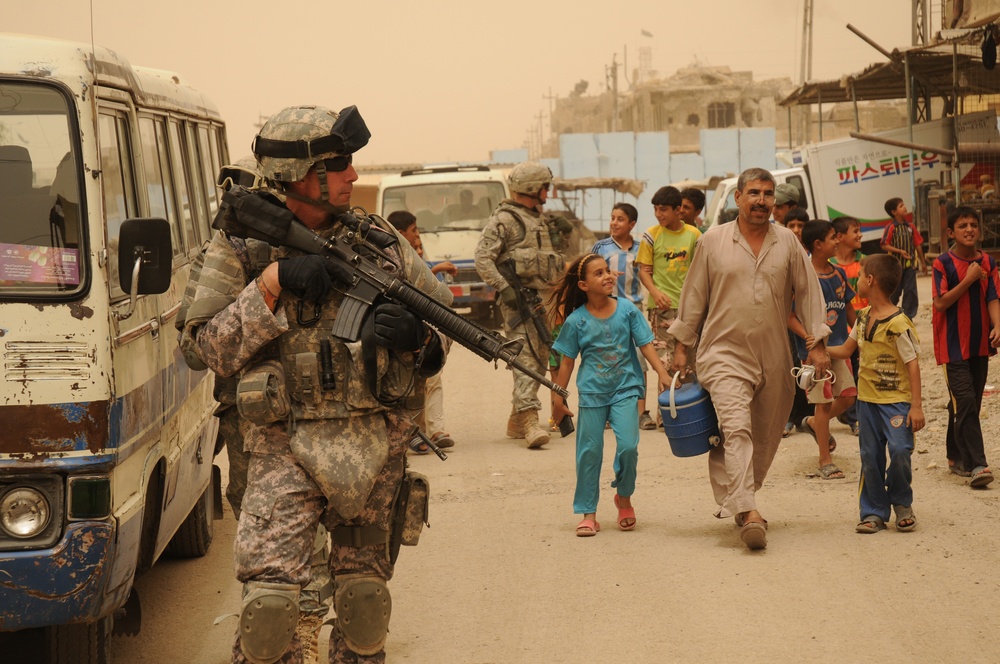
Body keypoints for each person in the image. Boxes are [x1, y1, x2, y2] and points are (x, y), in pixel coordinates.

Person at [183, 105, 453, 663]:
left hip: (372, 441)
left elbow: (444, 323)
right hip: (282, 443)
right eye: (342, 164)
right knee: (271, 614)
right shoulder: (242, 245)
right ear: (302, 175)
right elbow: (203, 348)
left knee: (364, 604)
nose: (354, 176)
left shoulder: (378, 241)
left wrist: (419, 340)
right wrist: (272, 284)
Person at [669, 167, 831, 551]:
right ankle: (748, 509)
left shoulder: (789, 243)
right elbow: (694, 297)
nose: (761, 200)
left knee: (766, 431)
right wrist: (681, 346)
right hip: (723, 352)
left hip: (774, 355)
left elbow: (808, 293)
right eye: (754, 193)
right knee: (736, 427)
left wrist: (817, 342)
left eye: (768, 194)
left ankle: (740, 498)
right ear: (738, 198)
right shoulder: (712, 241)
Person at [549, 254, 672, 537]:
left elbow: (645, 344)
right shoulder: (576, 321)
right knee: (589, 454)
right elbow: (566, 361)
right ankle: (588, 513)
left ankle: (624, 498)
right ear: (582, 284)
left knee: (628, 447)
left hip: (625, 389)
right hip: (592, 393)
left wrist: (661, 374)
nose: (607, 276)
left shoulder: (627, 310)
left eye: (608, 271)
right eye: (599, 273)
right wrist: (559, 400)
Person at [827, 255, 924, 533]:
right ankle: (873, 511)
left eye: (860, 275)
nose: (857, 280)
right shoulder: (863, 316)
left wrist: (915, 407)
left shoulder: (899, 323)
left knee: (899, 450)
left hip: (896, 403)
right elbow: (846, 350)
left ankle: (902, 502)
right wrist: (820, 350)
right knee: (870, 456)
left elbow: (913, 365)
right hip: (867, 403)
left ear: (870, 280)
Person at [475, 161, 566, 449]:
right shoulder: (505, 220)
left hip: (542, 300)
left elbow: (550, 257)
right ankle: (529, 420)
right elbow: (482, 258)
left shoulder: (537, 218)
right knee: (525, 359)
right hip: (519, 302)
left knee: (539, 358)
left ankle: (517, 419)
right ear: (531, 188)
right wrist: (503, 288)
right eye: (544, 188)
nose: (547, 194)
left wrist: (559, 234)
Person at [931, 206, 999, 488]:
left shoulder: (988, 262)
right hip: (952, 346)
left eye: (973, 224)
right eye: (962, 226)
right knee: (966, 401)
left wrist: (997, 325)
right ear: (951, 233)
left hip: (979, 344)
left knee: (965, 402)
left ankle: (953, 454)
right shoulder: (942, 263)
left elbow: (993, 296)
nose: (969, 229)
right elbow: (940, 303)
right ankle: (977, 465)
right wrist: (969, 279)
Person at [388, 212, 458, 453]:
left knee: (432, 379)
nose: (418, 237)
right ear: (400, 232)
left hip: (422, 329)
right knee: (408, 384)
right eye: (414, 230)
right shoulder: (390, 257)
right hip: (400, 330)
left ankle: (435, 430)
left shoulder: (411, 257)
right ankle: (413, 432)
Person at [794, 220, 857, 480]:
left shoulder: (838, 274)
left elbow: (849, 308)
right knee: (822, 403)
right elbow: (788, 315)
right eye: (833, 237)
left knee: (849, 396)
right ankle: (825, 460)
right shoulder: (803, 277)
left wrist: (862, 333)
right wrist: (810, 340)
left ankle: (812, 425)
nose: (837, 241)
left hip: (839, 349)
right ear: (818, 244)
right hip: (814, 354)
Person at [636, 186, 700, 425]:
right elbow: (644, 270)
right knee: (664, 360)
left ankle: (687, 411)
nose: (658, 214)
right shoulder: (651, 236)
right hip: (660, 307)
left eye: (663, 209)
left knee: (689, 361)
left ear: (678, 210)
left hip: (689, 308)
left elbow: (701, 271)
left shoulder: (694, 235)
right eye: (655, 209)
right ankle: (665, 413)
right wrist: (655, 291)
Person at [592, 203, 656, 430]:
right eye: (612, 218)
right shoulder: (601, 247)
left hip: (635, 310)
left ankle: (641, 413)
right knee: (608, 359)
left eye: (620, 219)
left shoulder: (641, 249)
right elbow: (588, 273)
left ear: (632, 224)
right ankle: (608, 412)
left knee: (639, 358)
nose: (614, 223)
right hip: (608, 310)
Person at [830, 216, 867, 436]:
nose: (860, 235)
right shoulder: (830, 266)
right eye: (855, 231)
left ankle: (855, 418)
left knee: (859, 374)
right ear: (840, 237)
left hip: (861, 327)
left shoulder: (865, 262)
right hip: (839, 333)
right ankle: (843, 412)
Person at [881, 197, 926, 319]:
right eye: (901, 206)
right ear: (894, 212)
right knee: (895, 291)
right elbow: (885, 245)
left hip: (910, 265)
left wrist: (923, 262)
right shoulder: (891, 227)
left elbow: (917, 244)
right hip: (895, 267)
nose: (905, 207)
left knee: (910, 291)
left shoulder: (910, 226)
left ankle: (908, 316)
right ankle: (888, 313)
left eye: (904, 204)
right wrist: (899, 251)